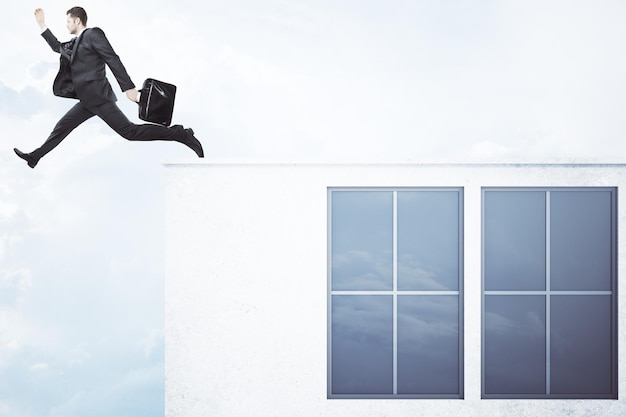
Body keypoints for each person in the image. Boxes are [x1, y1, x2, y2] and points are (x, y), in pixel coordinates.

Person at [14, 7, 204, 169]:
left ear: (77, 20)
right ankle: (35, 157)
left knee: (130, 132)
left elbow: (112, 58)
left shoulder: (93, 34)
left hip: (99, 98)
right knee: (61, 127)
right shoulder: (74, 44)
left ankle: (180, 134)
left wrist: (128, 88)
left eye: (68, 21)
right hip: (87, 101)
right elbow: (57, 47)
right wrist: (42, 24)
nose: (66, 25)